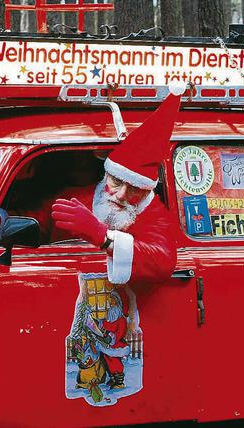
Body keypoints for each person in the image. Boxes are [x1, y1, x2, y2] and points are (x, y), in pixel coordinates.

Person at [58, 84, 186, 406]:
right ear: (107, 175)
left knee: (113, 362)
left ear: (146, 191)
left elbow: (162, 259)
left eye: (133, 190)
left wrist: (103, 237)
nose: (119, 195)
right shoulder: (95, 194)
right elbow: (47, 215)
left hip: (118, 319)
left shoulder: (154, 215)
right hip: (92, 315)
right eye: (116, 182)